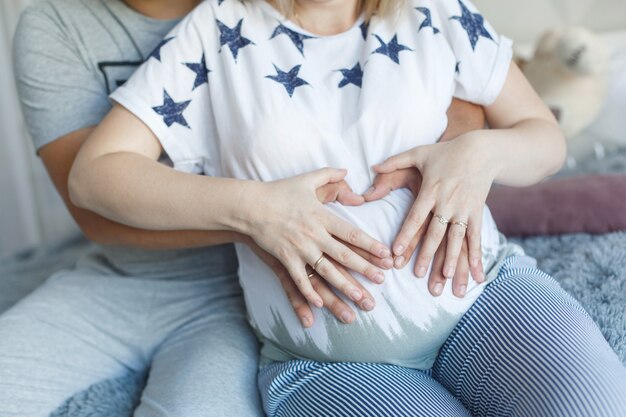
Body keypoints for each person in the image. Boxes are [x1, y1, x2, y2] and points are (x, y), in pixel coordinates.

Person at [68, 0, 626, 416]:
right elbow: (95, 176)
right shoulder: (216, 32)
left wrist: (480, 153)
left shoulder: (434, 12)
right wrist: (253, 210)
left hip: (487, 300)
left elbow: (544, 139)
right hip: (328, 364)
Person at [1, 0, 483, 415]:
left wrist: (457, 158)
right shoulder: (53, 23)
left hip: (241, 294)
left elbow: (465, 87)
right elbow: (94, 211)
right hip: (122, 280)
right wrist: (258, 217)